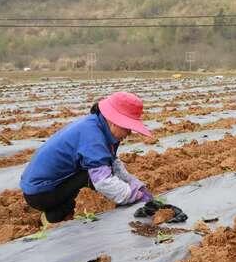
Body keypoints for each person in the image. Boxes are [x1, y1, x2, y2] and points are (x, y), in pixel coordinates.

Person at [20, 91, 154, 226]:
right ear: (115, 121)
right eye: (127, 128)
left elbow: (113, 163)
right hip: (40, 192)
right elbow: (103, 181)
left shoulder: (100, 125)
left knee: (100, 172)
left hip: (44, 187)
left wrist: (136, 185)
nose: (129, 133)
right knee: (92, 177)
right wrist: (133, 196)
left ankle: (56, 211)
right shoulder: (93, 136)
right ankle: (55, 218)